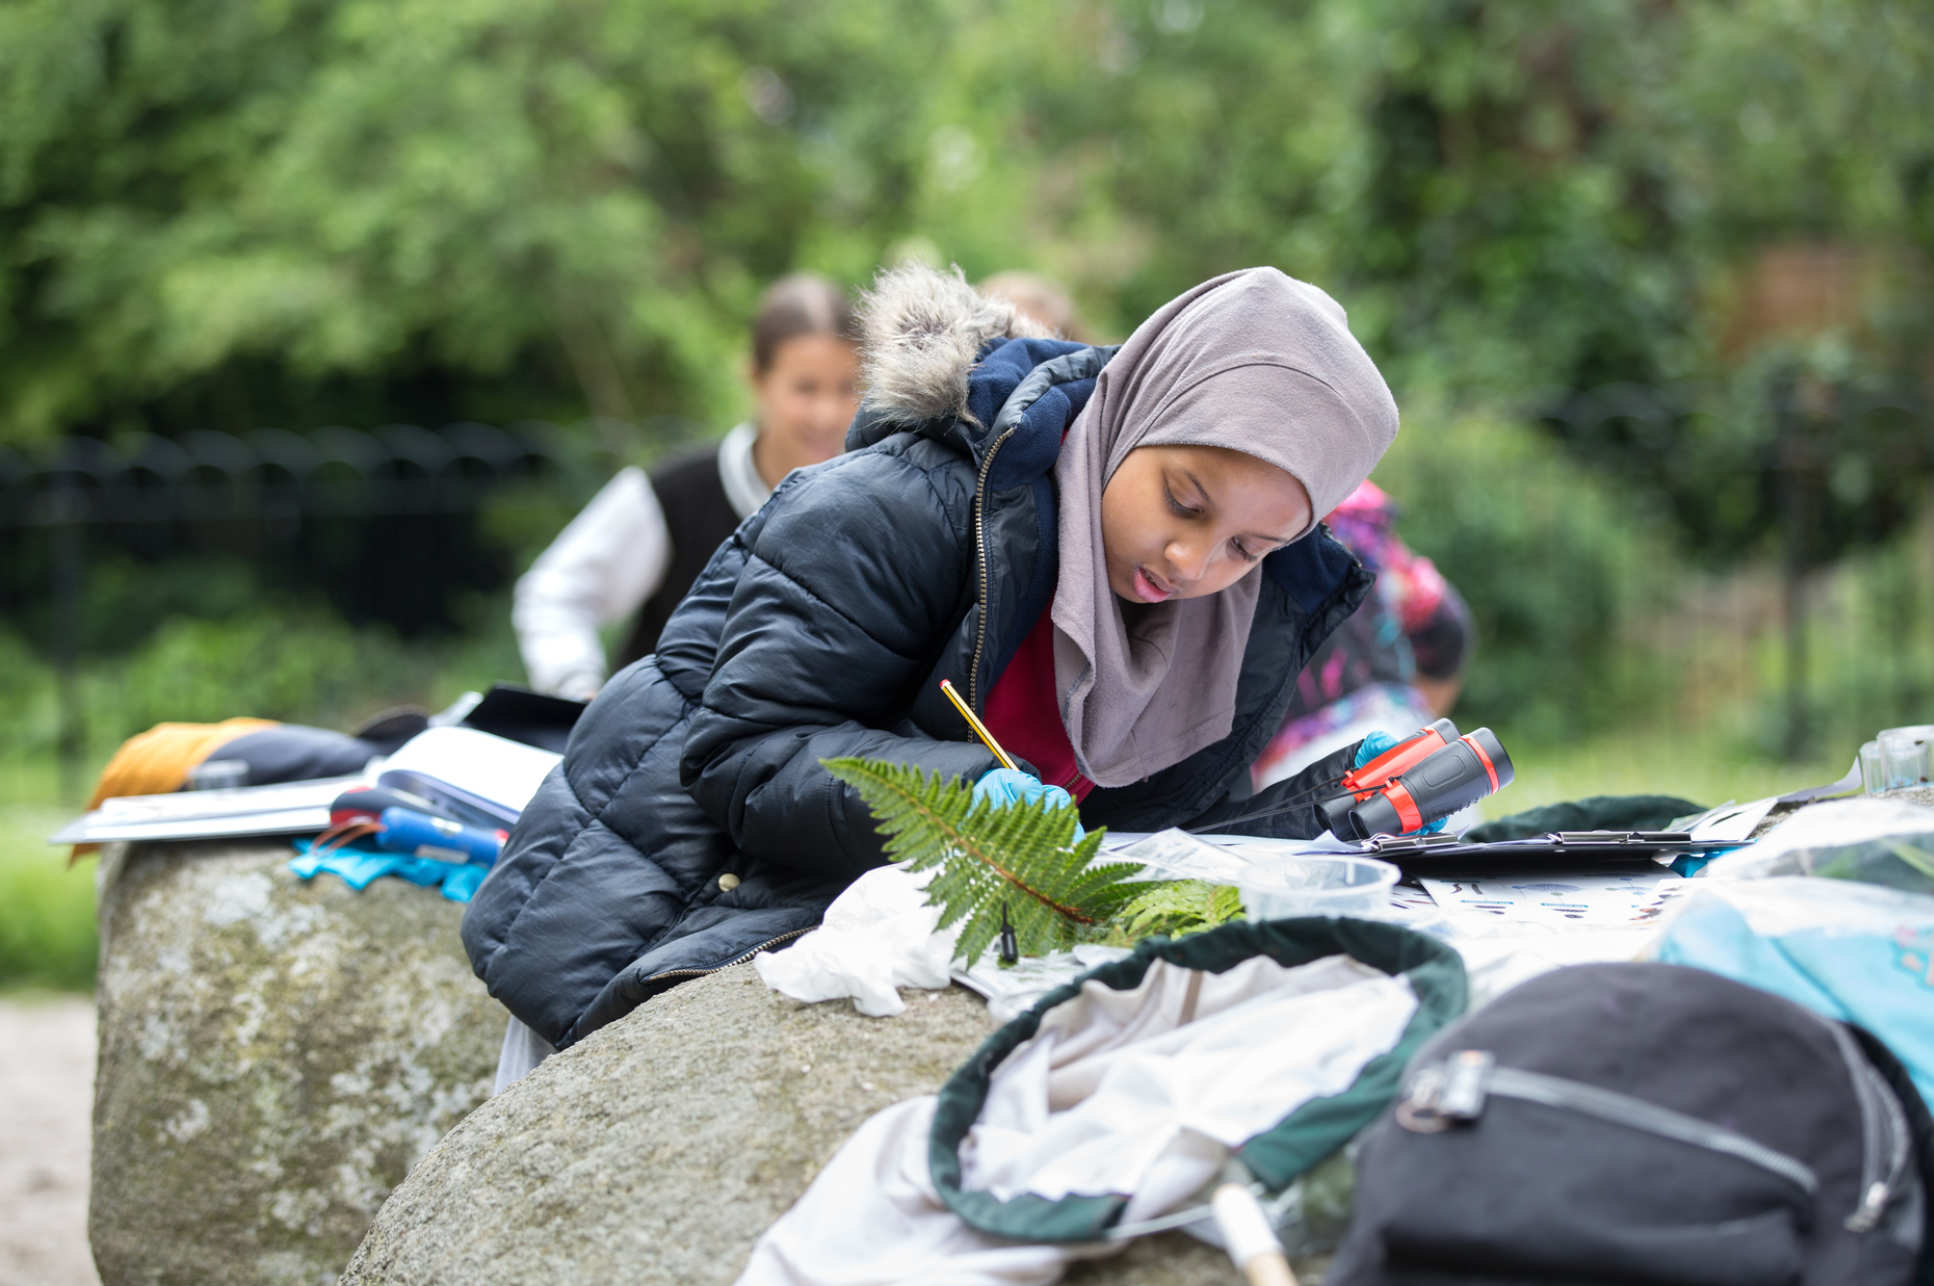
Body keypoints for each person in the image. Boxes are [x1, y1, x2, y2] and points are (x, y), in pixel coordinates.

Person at [465, 261, 1402, 1082]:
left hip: (872, 977)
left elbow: (1163, 839)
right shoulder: (898, 510)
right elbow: (744, 756)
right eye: (1184, 500)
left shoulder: (1235, 619)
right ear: (1137, 407)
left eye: (1248, 543)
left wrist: (1323, 813)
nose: (1194, 563)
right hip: (656, 936)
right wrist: (959, 805)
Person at [512, 274, 862, 700]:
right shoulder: (674, 496)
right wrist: (577, 689)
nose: (828, 414)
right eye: (805, 389)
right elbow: (554, 593)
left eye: (847, 388)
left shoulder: (877, 501)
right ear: (756, 380)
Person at [1251, 480, 1473, 789]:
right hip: (1421, 745)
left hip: (1305, 763)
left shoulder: (1255, 505)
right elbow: (1445, 620)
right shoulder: (1359, 509)